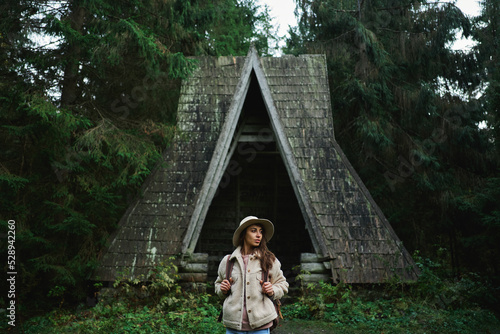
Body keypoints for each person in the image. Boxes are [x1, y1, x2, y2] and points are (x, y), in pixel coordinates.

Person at [215, 216, 289, 334]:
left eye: (261, 231)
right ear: (243, 234)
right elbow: (218, 284)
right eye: (253, 231)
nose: (258, 235)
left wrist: (272, 290)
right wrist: (222, 289)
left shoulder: (269, 260)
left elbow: (283, 284)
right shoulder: (228, 261)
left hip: (261, 325)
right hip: (233, 326)